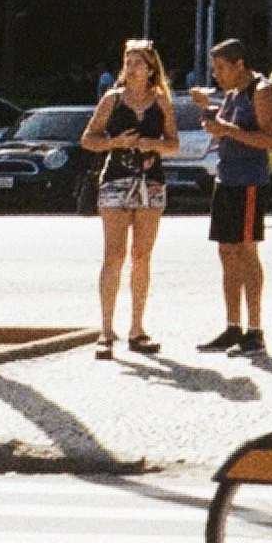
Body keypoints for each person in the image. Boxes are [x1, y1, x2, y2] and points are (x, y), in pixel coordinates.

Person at [77, 39, 179, 358]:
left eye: (137, 62)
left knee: (142, 255)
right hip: (116, 181)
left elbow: (173, 143)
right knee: (114, 255)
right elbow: (88, 139)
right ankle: (106, 330)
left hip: (150, 184)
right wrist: (115, 142)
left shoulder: (161, 101)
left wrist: (151, 143)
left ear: (150, 69)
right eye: (128, 61)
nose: (130, 67)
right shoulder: (112, 99)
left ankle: (137, 327)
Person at [191, 37, 272, 359]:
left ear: (239, 64)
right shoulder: (231, 93)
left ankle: (255, 332)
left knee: (246, 252)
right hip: (227, 178)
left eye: (220, 68)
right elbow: (225, 127)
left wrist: (226, 129)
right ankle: (233, 326)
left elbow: (271, 140)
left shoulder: (262, 91)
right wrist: (207, 110)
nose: (216, 74)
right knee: (227, 252)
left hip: (249, 182)